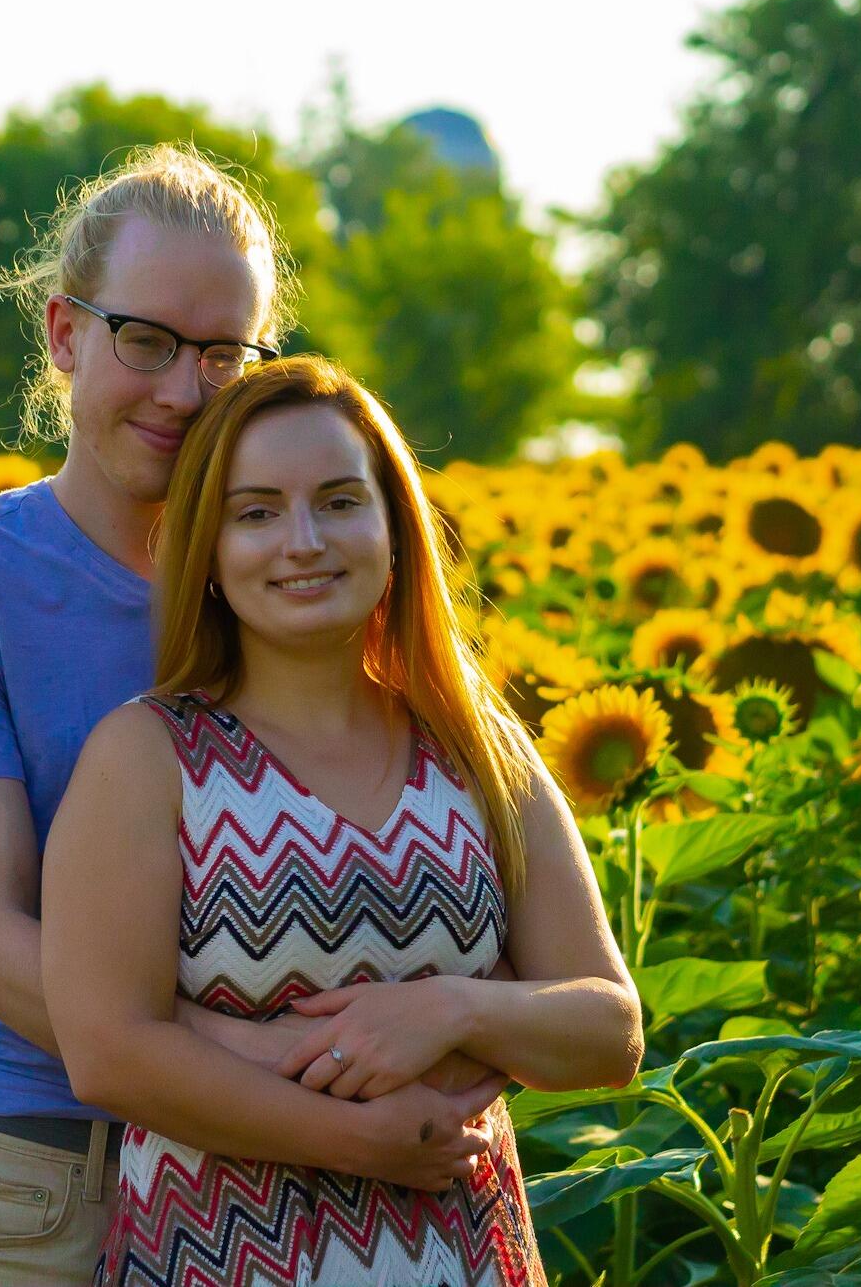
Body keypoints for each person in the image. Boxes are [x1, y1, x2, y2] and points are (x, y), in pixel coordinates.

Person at [0, 145, 509, 1285]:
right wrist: (267, 1062)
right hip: (53, 1147)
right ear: (66, 335)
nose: (181, 389)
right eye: (147, 341)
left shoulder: (295, 567)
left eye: (222, 351)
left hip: (316, 1167)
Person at [41, 355, 646, 1286]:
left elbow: (611, 1030)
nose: (303, 541)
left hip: (466, 1255)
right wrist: (361, 1139)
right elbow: (110, 1053)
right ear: (205, 549)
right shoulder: (147, 756)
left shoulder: (477, 748)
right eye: (255, 512)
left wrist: (447, 1009)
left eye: (338, 501)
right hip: (221, 1257)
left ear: (393, 527)